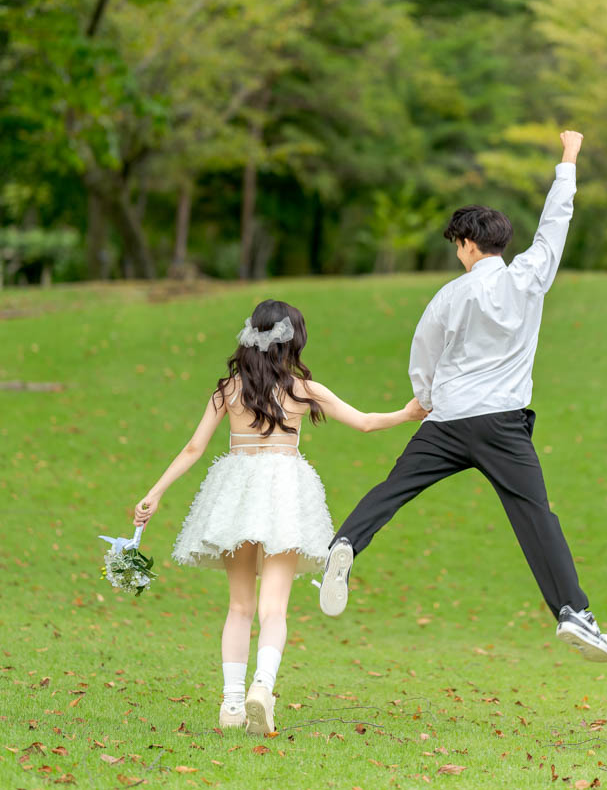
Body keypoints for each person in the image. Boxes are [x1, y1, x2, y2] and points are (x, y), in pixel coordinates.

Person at [319, 131, 607, 662]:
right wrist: (568, 158)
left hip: (448, 420)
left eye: (457, 245)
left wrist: (424, 400)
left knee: (394, 489)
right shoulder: (529, 276)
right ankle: (573, 611)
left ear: (468, 245)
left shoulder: (448, 296)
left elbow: (423, 354)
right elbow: (555, 222)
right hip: (501, 423)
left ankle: (345, 543)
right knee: (535, 516)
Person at [132, 299, 426, 734]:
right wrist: (408, 413)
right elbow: (364, 422)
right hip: (284, 495)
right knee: (274, 608)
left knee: (239, 606)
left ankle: (232, 704)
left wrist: (154, 493)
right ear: (293, 340)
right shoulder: (302, 390)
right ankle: (262, 687)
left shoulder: (228, 390)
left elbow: (194, 448)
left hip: (237, 495)